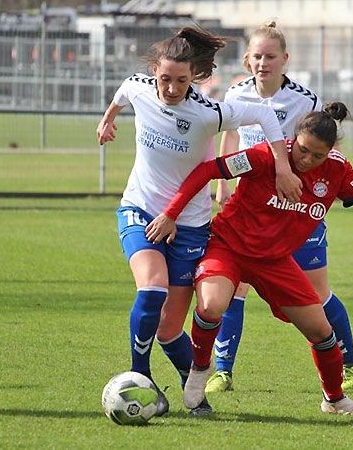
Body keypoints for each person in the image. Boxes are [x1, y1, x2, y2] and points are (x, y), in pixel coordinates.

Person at [145, 102, 353, 416]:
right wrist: (171, 214)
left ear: (331, 151)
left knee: (322, 333)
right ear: (293, 138)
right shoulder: (263, 156)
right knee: (212, 304)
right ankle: (201, 368)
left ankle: (334, 400)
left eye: (318, 155)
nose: (308, 159)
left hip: (274, 261)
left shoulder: (337, 169)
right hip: (228, 247)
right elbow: (207, 170)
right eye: (303, 150)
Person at [96, 25, 302, 416]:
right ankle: (141, 378)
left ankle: (192, 389)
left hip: (190, 225)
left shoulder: (210, 113)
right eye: (164, 79)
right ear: (153, 72)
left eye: (181, 80)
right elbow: (124, 91)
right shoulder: (140, 86)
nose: (171, 88)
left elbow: (264, 115)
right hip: (139, 210)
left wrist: (279, 165)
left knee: (171, 328)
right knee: (152, 288)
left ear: (196, 78)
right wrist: (108, 119)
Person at [208, 21, 353, 394]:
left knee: (317, 294)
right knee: (236, 287)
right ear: (248, 59)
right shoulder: (236, 93)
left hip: (293, 210)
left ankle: (350, 363)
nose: (263, 63)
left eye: (271, 57)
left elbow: (320, 152)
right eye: (257, 56)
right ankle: (223, 371)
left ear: (285, 60)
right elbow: (230, 136)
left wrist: (328, 190)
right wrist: (223, 181)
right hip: (251, 210)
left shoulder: (303, 99)